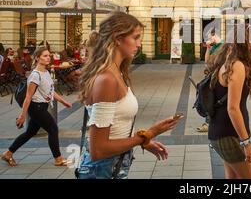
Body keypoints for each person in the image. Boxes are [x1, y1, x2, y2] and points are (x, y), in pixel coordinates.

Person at [77, 12, 182, 179]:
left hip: (111, 166)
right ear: (117, 38)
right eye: (135, 37)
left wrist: (145, 143)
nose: (139, 44)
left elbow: (117, 126)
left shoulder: (116, 72)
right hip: (101, 170)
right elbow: (99, 150)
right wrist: (148, 134)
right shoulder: (107, 79)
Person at [1, 46, 73, 167]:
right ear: (37, 58)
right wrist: (22, 116)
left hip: (42, 107)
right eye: (44, 56)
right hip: (36, 107)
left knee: (30, 133)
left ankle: (8, 153)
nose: (48, 57)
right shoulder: (35, 75)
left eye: (48, 55)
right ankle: (58, 159)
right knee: (53, 129)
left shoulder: (46, 72)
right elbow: (28, 97)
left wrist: (63, 101)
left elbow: (51, 91)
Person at [207, 24, 251, 179]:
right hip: (229, 134)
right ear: (243, 42)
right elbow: (233, 108)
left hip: (220, 132)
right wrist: (246, 143)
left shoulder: (226, 61)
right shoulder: (237, 66)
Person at [197, 29, 223, 133]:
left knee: (211, 99)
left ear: (215, 35)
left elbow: (216, 62)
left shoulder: (222, 46)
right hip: (211, 76)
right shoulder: (214, 47)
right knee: (209, 98)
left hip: (217, 77)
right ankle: (209, 122)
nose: (208, 40)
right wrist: (208, 48)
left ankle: (209, 123)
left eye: (209, 37)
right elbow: (207, 61)